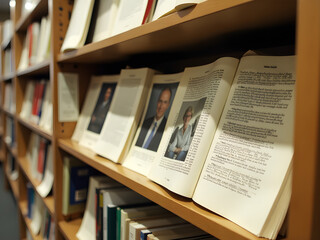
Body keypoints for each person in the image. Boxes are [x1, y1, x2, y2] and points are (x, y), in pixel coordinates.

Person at [135, 87, 172, 152]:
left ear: (168, 105)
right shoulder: (145, 122)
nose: (161, 106)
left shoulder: (167, 128)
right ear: (157, 102)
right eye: (160, 101)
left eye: (165, 102)